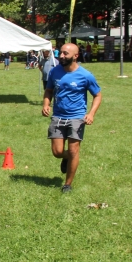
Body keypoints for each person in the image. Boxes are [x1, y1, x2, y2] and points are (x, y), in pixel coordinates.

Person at [41, 43, 102, 193]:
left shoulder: (86, 75)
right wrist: (46, 104)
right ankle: (66, 158)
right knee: (57, 152)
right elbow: (49, 90)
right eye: (60, 53)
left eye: (65, 54)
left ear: (75, 56)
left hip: (77, 117)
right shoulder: (54, 72)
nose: (61, 56)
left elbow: (97, 95)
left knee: (74, 150)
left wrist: (91, 113)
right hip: (58, 116)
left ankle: (67, 184)